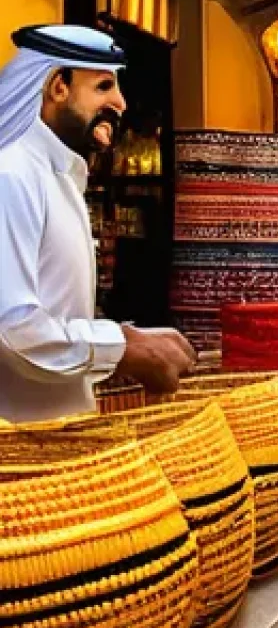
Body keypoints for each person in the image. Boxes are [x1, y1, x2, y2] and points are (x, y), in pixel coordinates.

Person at [0, 24, 197, 423]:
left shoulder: (60, 176)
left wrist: (134, 340)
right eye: (104, 86)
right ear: (58, 87)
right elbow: (13, 328)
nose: (120, 102)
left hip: (58, 433)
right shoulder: (11, 174)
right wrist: (124, 348)